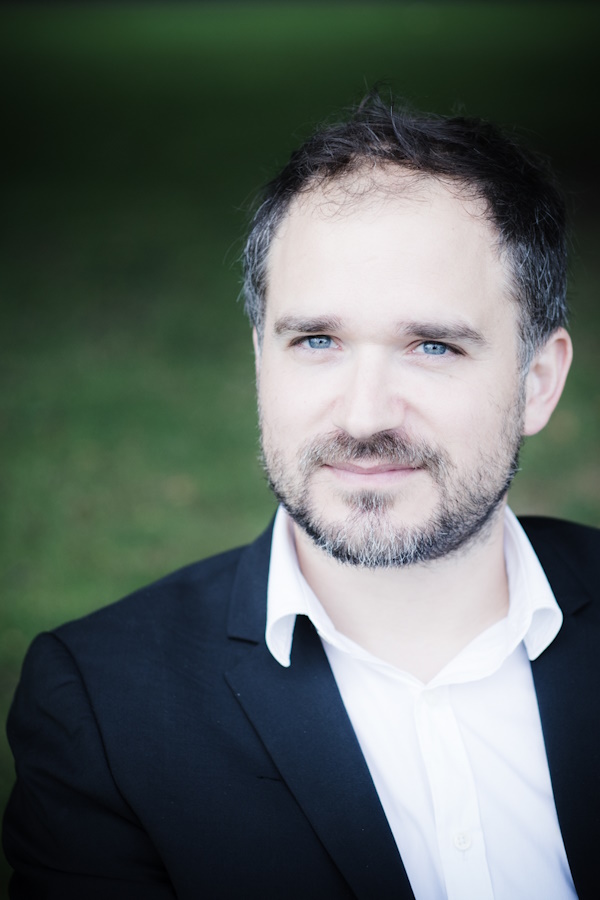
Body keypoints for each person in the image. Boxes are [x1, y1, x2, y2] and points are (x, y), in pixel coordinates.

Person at [3, 93, 599, 900]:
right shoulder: (102, 710)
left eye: (432, 346)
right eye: (317, 341)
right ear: (261, 359)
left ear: (538, 381)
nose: (365, 417)